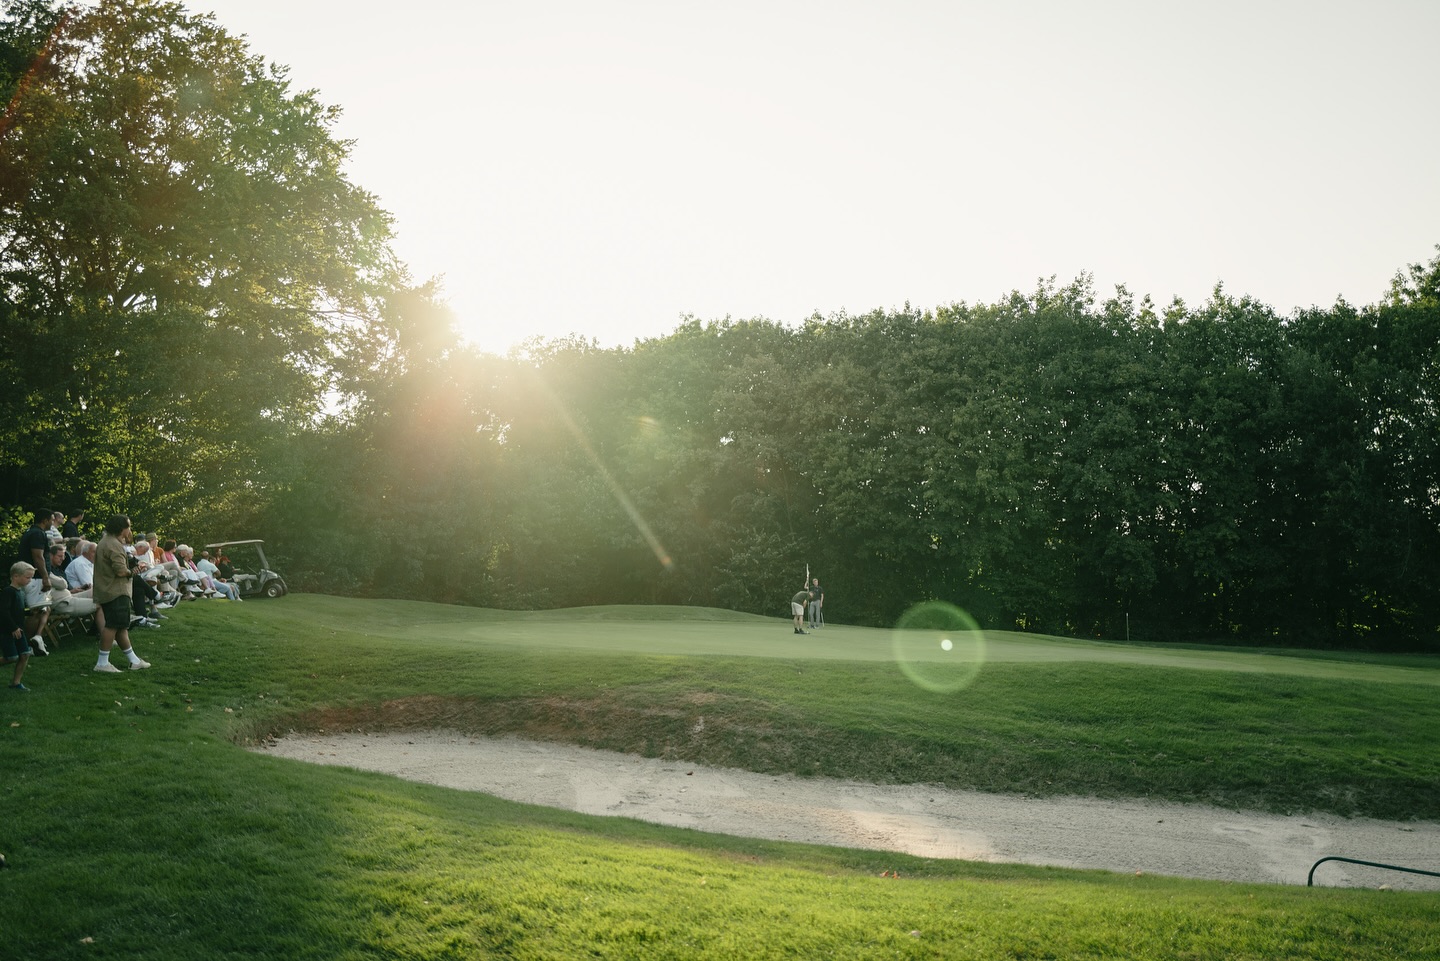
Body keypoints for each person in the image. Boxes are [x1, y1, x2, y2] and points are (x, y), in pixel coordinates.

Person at [92, 515, 151, 672]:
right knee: (112, 626)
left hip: (108, 590)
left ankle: (134, 660)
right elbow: (120, 571)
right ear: (121, 528)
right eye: (129, 527)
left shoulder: (106, 541)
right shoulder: (114, 545)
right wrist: (135, 571)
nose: (130, 530)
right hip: (115, 591)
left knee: (121, 627)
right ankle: (102, 663)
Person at [17, 510, 54, 652]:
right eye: (51, 520)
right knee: (36, 611)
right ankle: (26, 645)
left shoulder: (30, 532)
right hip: (36, 578)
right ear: (45, 520)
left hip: (34, 577)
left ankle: (36, 638)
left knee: (45, 608)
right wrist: (45, 577)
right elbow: (38, 556)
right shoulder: (38, 534)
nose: (52, 523)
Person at [3, 562, 36, 689]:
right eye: (28, 577)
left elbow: (18, 610)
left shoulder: (20, 592)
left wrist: (31, 611)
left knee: (25, 654)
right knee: (11, 657)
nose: (30, 580)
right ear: (16, 576)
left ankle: (16, 683)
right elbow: (3, 611)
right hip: (8, 630)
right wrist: (13, 627)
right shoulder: (8, 592)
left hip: (19, 629)